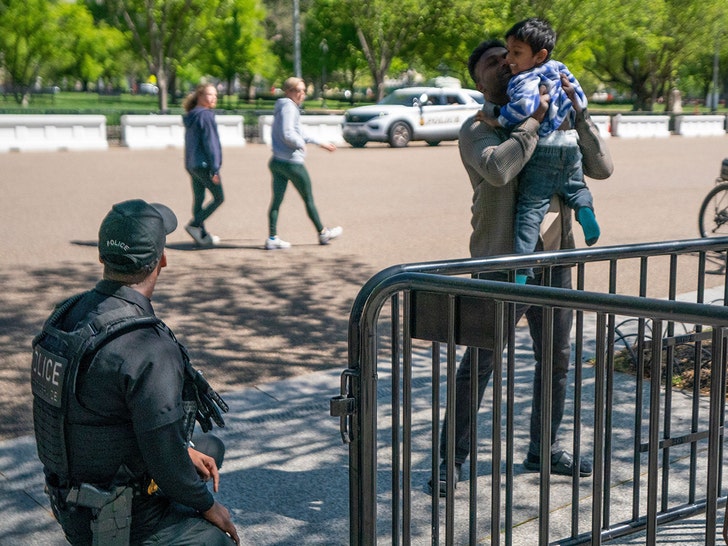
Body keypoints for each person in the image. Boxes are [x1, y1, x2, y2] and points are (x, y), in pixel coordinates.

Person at [429, 38, 613, 497]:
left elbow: (603, 169)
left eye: (509, 58)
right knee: (480, 364)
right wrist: (532, 123)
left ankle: (544, 449)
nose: (506, 65)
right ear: (478, 80)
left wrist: (579, 117)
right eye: (493, 62)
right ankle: (451, 460)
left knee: (557, 360)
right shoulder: (477, 128)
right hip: (501, 261)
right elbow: (498, 170)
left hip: (554, 259)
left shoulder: (553, 112)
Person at [32, 199, 239, 544]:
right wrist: (208, 507)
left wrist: (182, 451)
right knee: (216, 540)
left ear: (102, 257)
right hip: (120, 519)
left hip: (69, 497)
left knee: (208, 448)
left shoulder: (66, 316)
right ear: (162, 260)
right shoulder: (147, 346)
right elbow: (164, 458)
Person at [482, 18, 600, 282]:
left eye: (516, 53)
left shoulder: (522, 79)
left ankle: (522, 272)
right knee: (577, 189)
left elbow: (524, 108)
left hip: (543, 149)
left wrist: (498, 118)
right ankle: (586, 212)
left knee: (530, 210)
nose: (509, 59)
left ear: (539, 55)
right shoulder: (561, 69)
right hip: (570, 145)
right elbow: (579, 99)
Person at [265, 77, 342, 250]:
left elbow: (299, 131)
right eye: (298, 90)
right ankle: (323, 233)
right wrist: (301, 145)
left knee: (276, 201)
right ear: (289, 91)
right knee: (308, 199)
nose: (302, 94)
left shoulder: (283, 106)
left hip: (277, 161)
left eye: (304, 90)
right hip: (292, 163)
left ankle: (272, 237)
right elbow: (288, 133)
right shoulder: (289, 107)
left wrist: (320, 142)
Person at [183, 83, 224, 247]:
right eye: (210, 94)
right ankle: (194, 225)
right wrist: (215, 168)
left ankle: (201, 234)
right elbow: (211, 143)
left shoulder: (191, 115)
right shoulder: (206, 115)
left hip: (192, 164)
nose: (214, 98)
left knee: (199, 199)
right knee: (219, 197)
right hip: (205, 165)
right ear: (200, 96)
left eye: (215, 95)